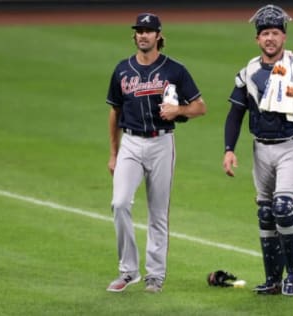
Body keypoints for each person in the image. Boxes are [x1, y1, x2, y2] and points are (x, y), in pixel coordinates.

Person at [223, 4, 293, 296]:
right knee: (266, 214)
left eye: (274, 33)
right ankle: (272, 279)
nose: (269, 38)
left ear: (283, 37)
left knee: (284, 209)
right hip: (261, 150)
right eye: (264, 34)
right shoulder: (248, 72)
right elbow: (235, 114)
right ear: (257, 39)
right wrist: (228, 149)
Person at [105, 12, 207, 293]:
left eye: (148, 31)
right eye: (139, 30)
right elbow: (114, 111)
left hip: (162, 143)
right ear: (134, 35)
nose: (143, 35)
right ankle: (128, 271)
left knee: (158, 212)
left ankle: (155, 276)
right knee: (120, 203)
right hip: (131, 143)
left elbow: (200, 106)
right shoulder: (122, 70)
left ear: (159, 35)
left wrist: (179, 110)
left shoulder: (175, 70)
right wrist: (114, 153)